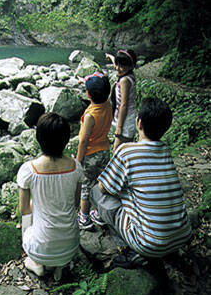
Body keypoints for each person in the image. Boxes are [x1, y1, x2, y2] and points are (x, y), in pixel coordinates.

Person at [90, 97, 192, 267]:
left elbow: (103, 187)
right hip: (181, 236)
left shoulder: (127, 151)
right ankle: (165, 249)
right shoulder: (165, 150)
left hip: (149, 245)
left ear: (139, 122)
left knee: (95, 192)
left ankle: (129, 249)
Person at [17, 112, 84, 281]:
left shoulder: (29, 170)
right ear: (66, 139)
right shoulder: (76, 167)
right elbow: (75, 203)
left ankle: (36, 264)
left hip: (40, 249)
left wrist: (39, 203)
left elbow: (24, 210)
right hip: (70, 247)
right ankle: (60, 267)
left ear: (39, 138)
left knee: (28, 217)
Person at [76, 74, 112, 230]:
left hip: (91, 154)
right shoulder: (108, 104)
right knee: (100, 183)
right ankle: (98, 213)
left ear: (88, 94)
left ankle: (84, 217)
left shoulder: (91, 116)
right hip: (105, 150)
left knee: (87, 186)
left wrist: (79, 160)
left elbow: (84, 141)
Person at [106, 49, 137, 152]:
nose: (118, 68)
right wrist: (110, 56)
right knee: (126, 150)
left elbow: (124, 105)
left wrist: (119, 127)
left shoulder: (125, 81)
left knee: (117, 152)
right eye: (117, 65)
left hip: (125, 121)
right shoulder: (129, 74)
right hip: (128, 117)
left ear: (130, 66)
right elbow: (116, 61)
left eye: (122, 66)